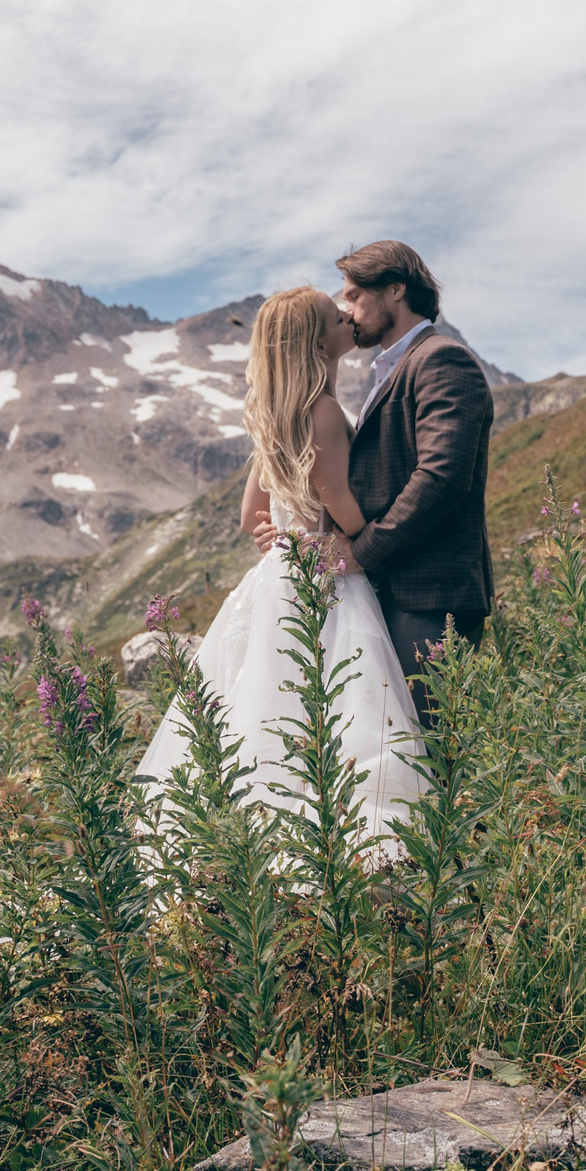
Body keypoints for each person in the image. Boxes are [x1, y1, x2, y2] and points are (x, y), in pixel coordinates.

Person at [136, 287, 430, 842]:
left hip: (277, 578)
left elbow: (252, 515)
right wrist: (379, 542)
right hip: (325, 578)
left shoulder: (276, 414)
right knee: (338, 712)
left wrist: (279, 534)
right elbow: (340, 506)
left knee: (264, 707)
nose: (347, 316)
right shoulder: (321, 410)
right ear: (316, 341)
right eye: (333, 315)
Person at [327, 241, 495, 713]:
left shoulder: (443, 360)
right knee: (395, 747)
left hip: (431, 596)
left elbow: (441, 477)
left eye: (356, 295)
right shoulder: (394, 367)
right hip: (399, 589)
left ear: (396, 290)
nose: (348, 310)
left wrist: (362, 552)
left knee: (425, 750)